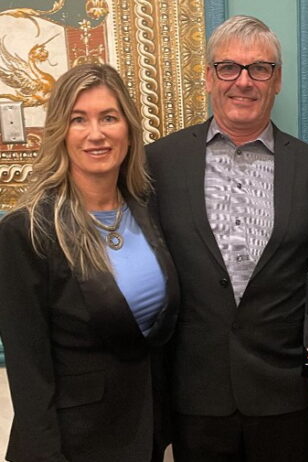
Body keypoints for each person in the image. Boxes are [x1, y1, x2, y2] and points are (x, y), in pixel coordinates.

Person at [146, 15, 308, 462]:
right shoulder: (158, 163)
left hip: (283, 389)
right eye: (228, 67)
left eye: (260, 68)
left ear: (277, 80)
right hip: (194, 390)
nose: (244, 81)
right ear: (209, 77)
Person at [0, 63, 179, 462]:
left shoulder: (146, 207)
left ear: (129, 132)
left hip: (146, 428)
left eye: (109, 118)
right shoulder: (27, 230)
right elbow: (29, 367)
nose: (96, 134)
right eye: (78, 120)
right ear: (60, 133)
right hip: (76, 442)